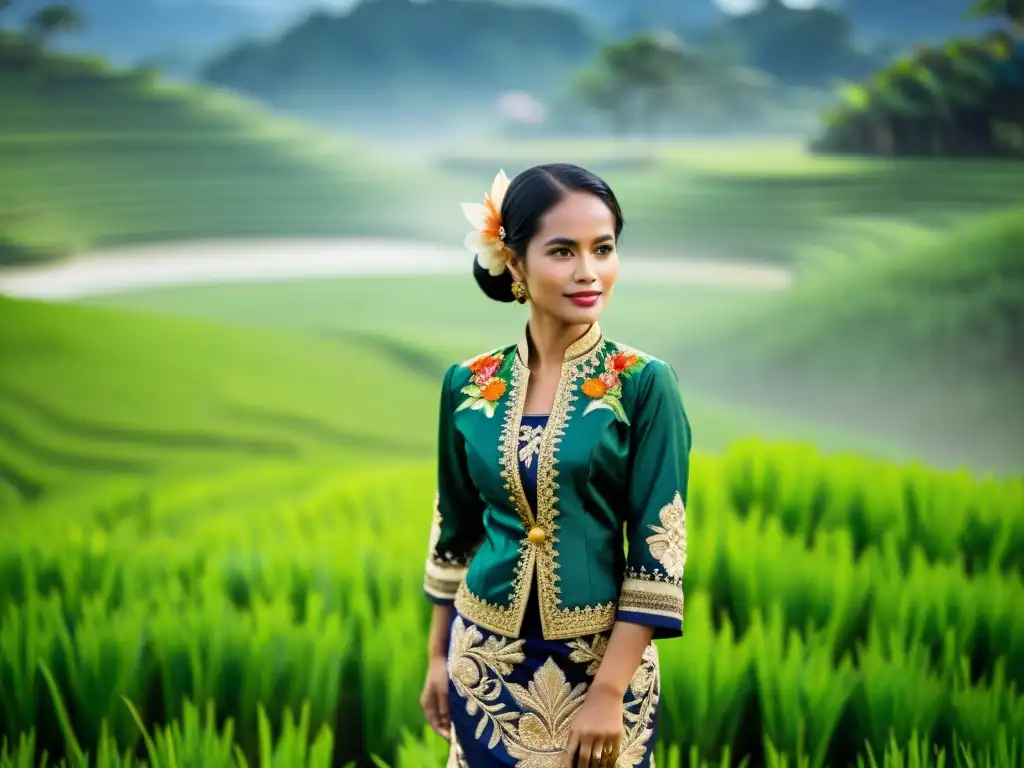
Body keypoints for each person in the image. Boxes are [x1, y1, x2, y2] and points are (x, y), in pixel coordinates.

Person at [419, 163, 692, 768]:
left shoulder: (644, 384)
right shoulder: (467, 384)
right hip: (484, 666)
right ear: (514, 262)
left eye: (604, 248)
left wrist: (608, 692)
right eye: (563, 251)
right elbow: (454, 527)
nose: (588, 272)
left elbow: (660, 549)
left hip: (600, 671)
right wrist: (438, 658)